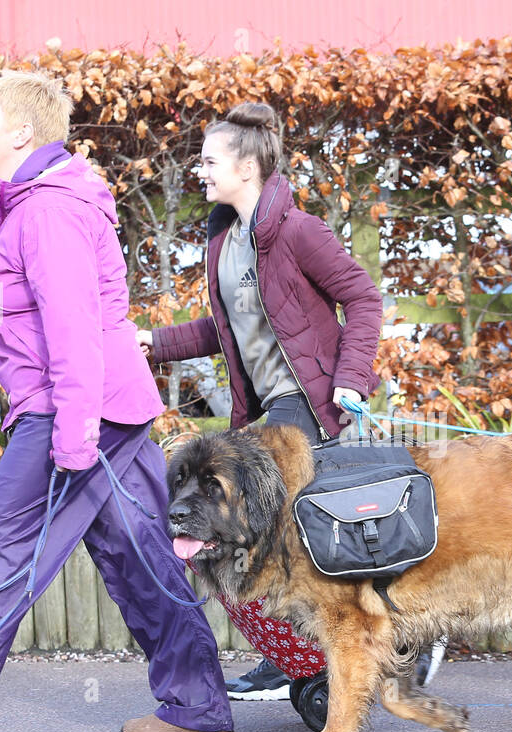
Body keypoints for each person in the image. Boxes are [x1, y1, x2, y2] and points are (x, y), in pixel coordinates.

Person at [0, 71, 233, 732]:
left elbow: (71, 330)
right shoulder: (45, 200)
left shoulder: (47, 210)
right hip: (111, 410)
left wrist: (71, 437)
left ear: (22, 132)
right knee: (138, 551)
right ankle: (196, 704)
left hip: (76, 414)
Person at [137, 102, 384, 701]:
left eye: (209, 160)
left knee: (268, 540)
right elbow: (223, 331)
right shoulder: (225, 243)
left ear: (247, 167)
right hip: (263, 415)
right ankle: (302, 657)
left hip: (304, 404)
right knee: (269, 541)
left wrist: (350, 377)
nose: (200, 170)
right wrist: (152, 342)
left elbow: (365, 298)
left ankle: (328, 655)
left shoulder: (299, 232)